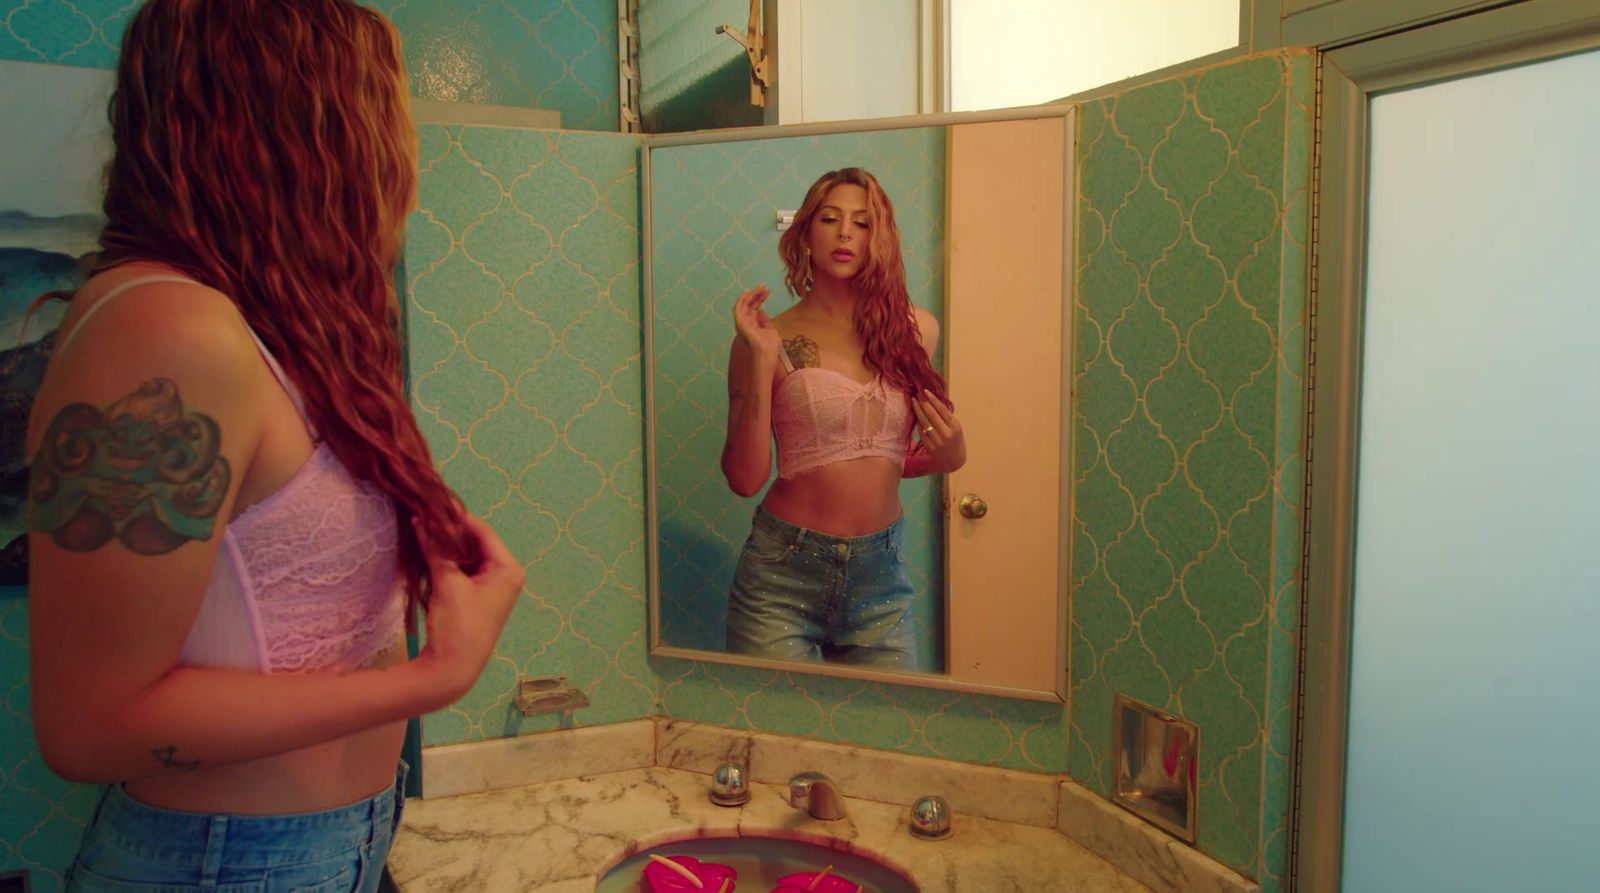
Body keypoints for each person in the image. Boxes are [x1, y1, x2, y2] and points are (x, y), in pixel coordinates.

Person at [25, 2, 523, 891]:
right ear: (309, 123)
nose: (404, 148)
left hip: (331, 845)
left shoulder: (278, 323)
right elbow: (86, 726)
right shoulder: (167, 329)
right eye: (385, 105)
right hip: (226, 868)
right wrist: (435, 676)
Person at [720, 167, 966, 670]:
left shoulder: (917, 330)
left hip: (882, 577)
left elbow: (882, 456)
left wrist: (954, 454)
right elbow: (745, 479)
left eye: (863, 222)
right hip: (782, 576)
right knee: (778, 741)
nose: (846, 233)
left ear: (882, 238)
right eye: (830, 219)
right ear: (806, 234)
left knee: (887, 737)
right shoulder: (769, 337)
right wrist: (763, 360)